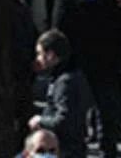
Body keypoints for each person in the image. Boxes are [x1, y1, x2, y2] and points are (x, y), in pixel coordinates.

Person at [50, 0, 121, 158]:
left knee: (107, 114)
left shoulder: (110, 0)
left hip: (104, 67)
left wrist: (116, 63)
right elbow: (60, 34)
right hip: (77, 66)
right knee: (74, 117)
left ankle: (107, 150)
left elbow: (120, 33)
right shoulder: (66, 0)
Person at [26, 30, 89, 158]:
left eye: (39, 53)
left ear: (50, 55)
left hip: (65, 148)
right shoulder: (69, 75)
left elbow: (64, 119)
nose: (38, 59)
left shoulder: (64, 82)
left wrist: (41, 121)